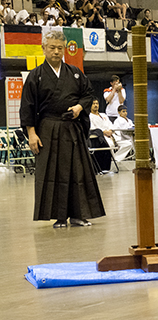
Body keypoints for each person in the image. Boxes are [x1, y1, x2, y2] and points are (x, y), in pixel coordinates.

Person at [19, 30, 105, 228]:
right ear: (43, 48)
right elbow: (27, 107)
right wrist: (31, 134)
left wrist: (78, 107)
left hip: (72, 129)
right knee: (54, 174)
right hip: (47, 129)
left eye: (60, 48)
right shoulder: (36, 76)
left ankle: (78, 215)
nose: (56, 52)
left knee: (78, 172)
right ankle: (59, 217)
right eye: (52, 48)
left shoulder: (74, 73)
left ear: (64, 49)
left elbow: (88, 94)